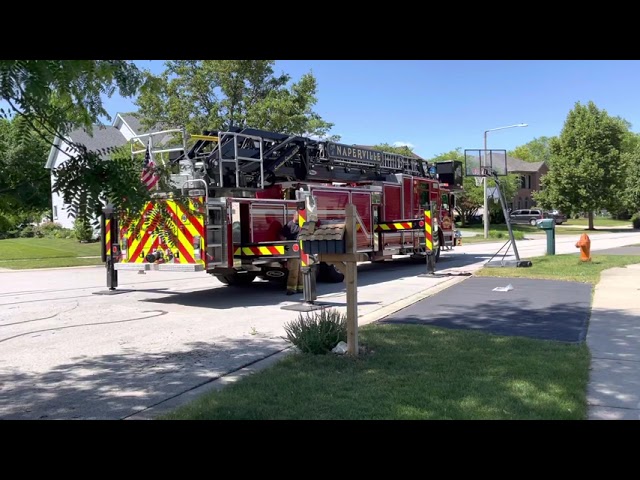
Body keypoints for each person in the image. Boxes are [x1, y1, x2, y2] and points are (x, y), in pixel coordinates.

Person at [281, 211, 303, 295]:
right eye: (298, 216)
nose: (299, 217)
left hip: (301, 250)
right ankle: (291, 289)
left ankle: (301, 288)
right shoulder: (289, 225)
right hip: (293, 251)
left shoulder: (302, 225)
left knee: (301, 270)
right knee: (293, 270)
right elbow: (282, 235)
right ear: (294, 216)